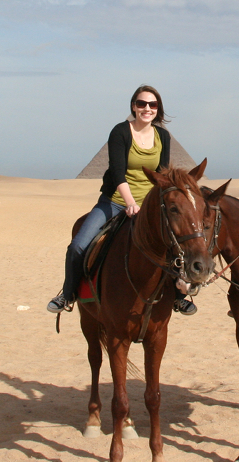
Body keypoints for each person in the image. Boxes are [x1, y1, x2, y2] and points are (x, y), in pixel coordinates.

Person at [47, 85, 198, 316]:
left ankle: (178, 297)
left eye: (152, 104)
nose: (147, 109)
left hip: (150, 204)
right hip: (115, 201)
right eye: (142, 104)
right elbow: (117, 172)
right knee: (78, 245)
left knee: (177, 244)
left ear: (158, 109)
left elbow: (162, 175)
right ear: (133, 106)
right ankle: (67, 294)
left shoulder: (163, 136)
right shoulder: (120, 132)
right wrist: (129, 202)